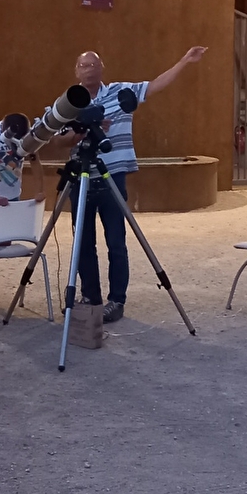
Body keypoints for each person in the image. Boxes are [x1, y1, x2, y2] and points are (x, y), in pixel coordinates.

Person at [70, 46, 207, 323]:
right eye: (84, 66)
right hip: (82, 178)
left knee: (116, 241)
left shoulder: (121, 92)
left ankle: (116, 300)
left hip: (113, 175)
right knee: (82, 243)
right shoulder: (70, 101)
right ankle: (90, 297)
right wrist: (82, 131)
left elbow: (155, 85)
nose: (89, 70)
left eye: (94, 65)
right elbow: (56, 139)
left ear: (102, 68)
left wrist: (184, 61)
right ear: (76, 71)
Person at [0, 113, 46, 234]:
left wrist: (40, 191)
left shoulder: (28, 136)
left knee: (6, 238)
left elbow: (35, 162)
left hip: (12, 194)